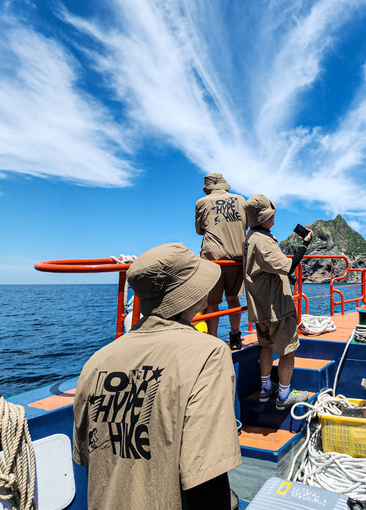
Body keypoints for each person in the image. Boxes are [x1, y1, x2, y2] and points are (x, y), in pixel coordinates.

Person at [73, 243, 241, 510]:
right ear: (191, 293)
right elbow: (206, 476)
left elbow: (89, 458)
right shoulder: (208, 353)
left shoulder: (96, 362)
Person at [243, 194, 313, 410]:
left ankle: (266, 388)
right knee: (288, 349)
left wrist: (285, 278)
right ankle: (284, 395)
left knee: (266, 346)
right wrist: (304, 246)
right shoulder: (263, 241)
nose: (274, 217)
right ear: (262, 218)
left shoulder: (250, 237)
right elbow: (287, 266)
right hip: (277, 307)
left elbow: (265, 268)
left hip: (260, 306)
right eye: (271, 214)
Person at [195, 172, 247, 349]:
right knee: (233, 298)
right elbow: (245, 225)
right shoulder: (240, 200)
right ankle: (235, 337)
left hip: (213, 259)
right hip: (237, 257)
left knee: (212, 302)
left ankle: (212, 340)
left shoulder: (202, 202)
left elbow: (199, 230)